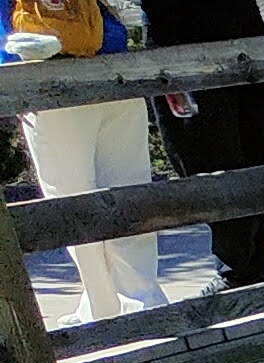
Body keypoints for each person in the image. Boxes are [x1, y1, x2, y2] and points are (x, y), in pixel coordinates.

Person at [7, 0, 164, 324]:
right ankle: (143, 299)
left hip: (45, 77)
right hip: (115, 68)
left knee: (72, 200)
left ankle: (101, 305)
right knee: (129, 190)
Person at [146, 0, 264, 287]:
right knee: (252, 140)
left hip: (182, 30)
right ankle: (251, 260)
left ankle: (239, 269)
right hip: (240, 22)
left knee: (203, 151)